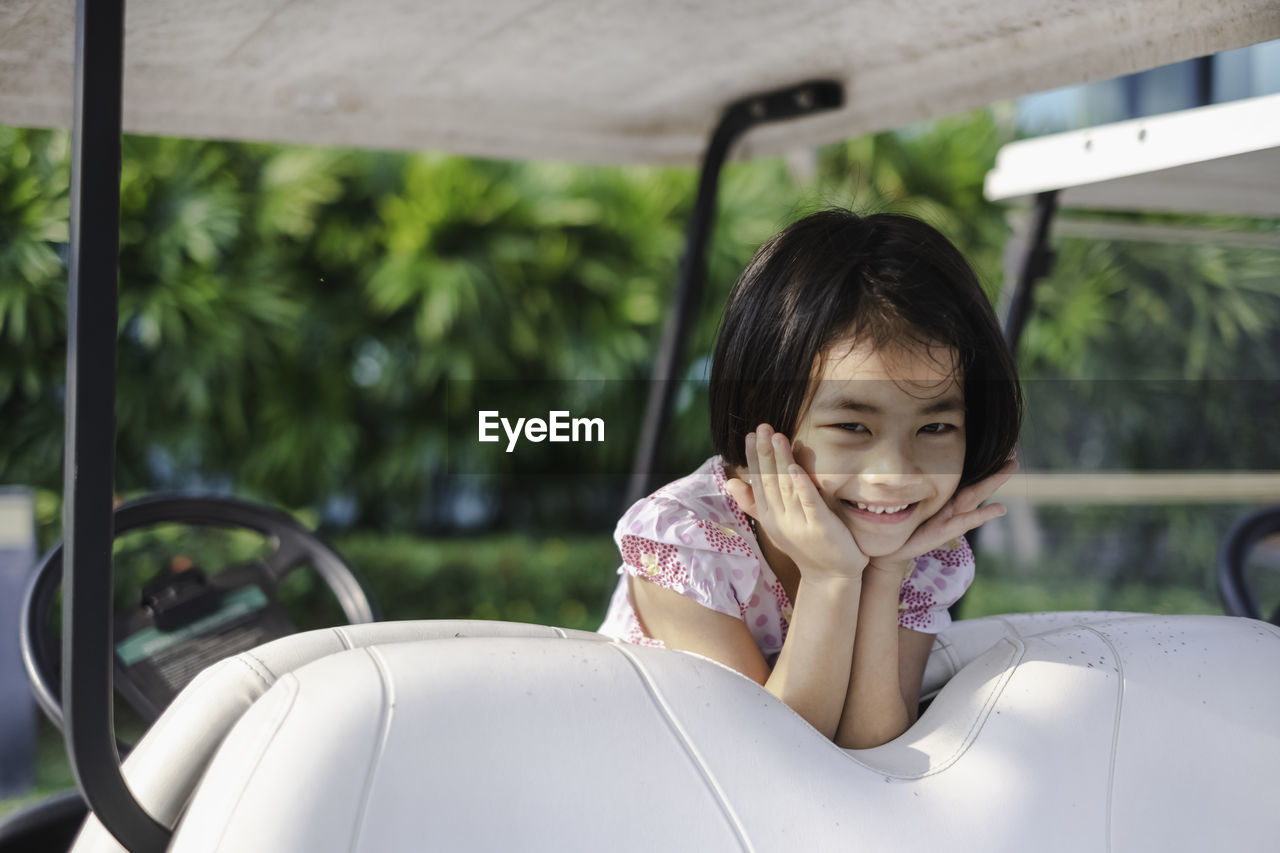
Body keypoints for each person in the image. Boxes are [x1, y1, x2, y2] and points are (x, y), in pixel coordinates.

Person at [598, 209, 1021, 749]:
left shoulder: (922, 555)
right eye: (852, 425)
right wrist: (830, 578)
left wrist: (886, 572)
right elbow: (775, 760)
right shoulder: (684, 542)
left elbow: (871, 746)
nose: (894, 474)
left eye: (936, 426)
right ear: (763, 414)